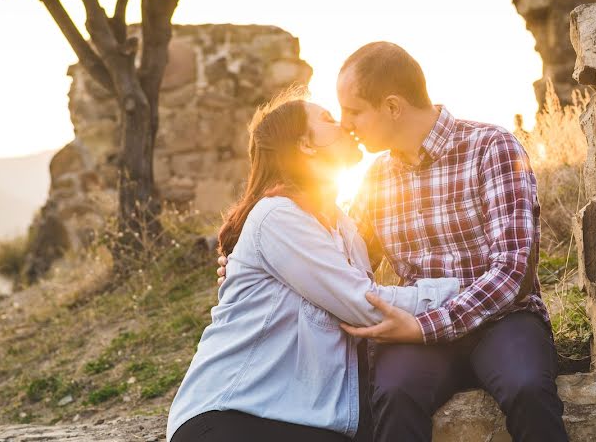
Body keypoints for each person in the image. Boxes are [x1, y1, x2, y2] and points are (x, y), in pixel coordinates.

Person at [219, 42, 569, 442]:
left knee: (527, 386)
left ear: (392, 107)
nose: (347, 125)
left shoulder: (492, 147)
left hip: (502, 319)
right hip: (415, 330)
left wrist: (428, 327)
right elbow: (335, 260)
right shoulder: (376, 180)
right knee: (392, 393)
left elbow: (515, 271)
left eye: (353, 112)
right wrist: (250, 265)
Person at [167, 89, 460, 442]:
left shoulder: (342, 227)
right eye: (328, 119)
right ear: (305, 144)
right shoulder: (278, 216)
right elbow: (364, 304)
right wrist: (461, 291)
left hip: (309, 421)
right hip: (233, 415)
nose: (345, 125)